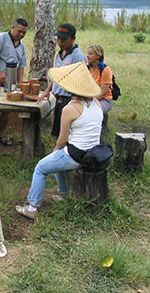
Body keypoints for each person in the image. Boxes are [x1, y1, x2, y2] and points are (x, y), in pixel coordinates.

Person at [16, 62, 103, 219]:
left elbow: (62, 139)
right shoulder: (96, 103)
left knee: (41, 168)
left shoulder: (71, 108)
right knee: (58, 162)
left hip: (76, 154)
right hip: (93, 151)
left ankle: (32, 207)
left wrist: (56, 149)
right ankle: (64, 194)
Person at [0, 18, 28, 151]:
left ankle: (0, 134)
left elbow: (21, 66)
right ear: (13, 27)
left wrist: (19, 82)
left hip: (10, 80)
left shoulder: (21, 46)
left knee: (7, 109)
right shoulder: (0, 39)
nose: (21, 34)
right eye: (19, 31)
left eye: (24, 33)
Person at [37, 23, 87, 137]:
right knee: (57, 129)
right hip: (58, 96)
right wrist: (47, 90)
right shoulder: (60, 54)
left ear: (73, 38)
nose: (60, 42)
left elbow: (81, 80)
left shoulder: (77, 56)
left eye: (64, 39)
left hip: (69, 98)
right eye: (58, 38)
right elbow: (56, 75)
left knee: (68, 131)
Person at [86, 44, 113, 116]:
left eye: (90, 54)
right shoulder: (87, 67)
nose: (87, 56)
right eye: (87, 53)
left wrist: (90, 102)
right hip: (90, 97)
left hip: (104, 99)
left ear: (98, 56)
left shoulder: (105, 70)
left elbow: (103, 92)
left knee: (93, 112)